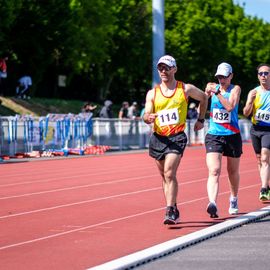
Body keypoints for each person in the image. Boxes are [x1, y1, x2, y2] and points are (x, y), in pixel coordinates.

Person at [143, 55, 208, 225]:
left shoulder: (185, 89)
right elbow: (146, 112)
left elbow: (204, 97)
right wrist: (147, 117)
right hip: (158, 138)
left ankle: (170, 210)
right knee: (164, 177)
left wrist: (201, 119)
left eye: (167, 67)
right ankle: (173, 206)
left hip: (177, 137)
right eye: (160, 68)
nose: (163, 71)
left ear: (174, 69)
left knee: (170, 173)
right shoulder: (153, 92)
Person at [204, 62, 242, 218]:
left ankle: (233, 198)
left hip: (232, 135)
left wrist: (217, 93)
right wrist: (205, 95)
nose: (221, 80)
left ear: (231, 76)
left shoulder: (235, 89)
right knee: (214, 170)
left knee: (232, 172)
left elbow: (230, 107)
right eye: (219, 77)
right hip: (214, 135)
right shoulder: (211, 86)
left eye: (224, 77)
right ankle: (212, 203)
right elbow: (203, 100)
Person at [243, 63, 270, 201]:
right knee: (260, 159)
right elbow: (246, 112)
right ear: (258, 76)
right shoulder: (254, 92)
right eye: (261, 74)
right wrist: (250, 101)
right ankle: (266, 184)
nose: (263, 76)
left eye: (266, 73)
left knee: (265, 157)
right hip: (256, 129)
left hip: (268, 130)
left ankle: (264, 188)